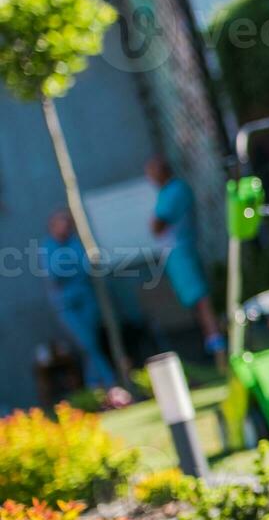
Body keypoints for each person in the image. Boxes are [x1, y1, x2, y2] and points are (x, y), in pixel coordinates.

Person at [42, 209, 130, 407]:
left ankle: (94, 390)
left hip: (87, 301)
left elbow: (86, 265)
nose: (64, 227)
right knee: (88, 343)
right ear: (52, 226)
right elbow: (55, 274)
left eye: (66, 222)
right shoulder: (47, 247)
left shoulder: (75, 242)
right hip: (66, 306)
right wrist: (75, 267)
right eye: (60, 223)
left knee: (91, 345)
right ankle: (111, 383)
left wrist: (73, 266)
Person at [146, 156, 225, 358]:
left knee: (201, 300)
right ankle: (214, 345)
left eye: (152, 172)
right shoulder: (165, 192)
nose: (150, 177)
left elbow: (157, 225)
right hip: (176, 255)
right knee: (195, 303)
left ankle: (219, 346)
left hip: (183, 251)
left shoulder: (175, 190)